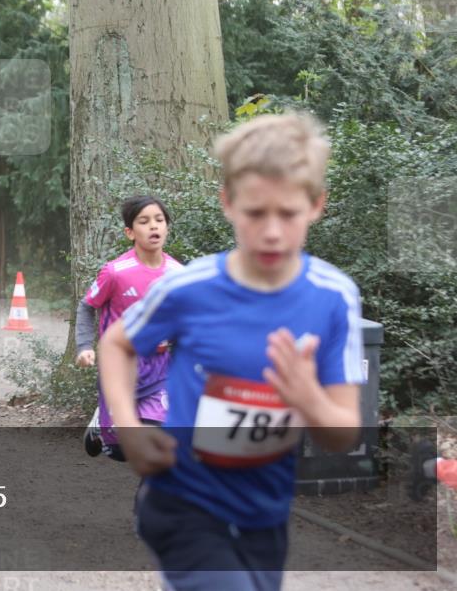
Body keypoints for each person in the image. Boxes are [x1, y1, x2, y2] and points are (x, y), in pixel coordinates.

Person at [99, 113, 364, 591]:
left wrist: (307, 397)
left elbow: (342, 436)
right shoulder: (191, 286)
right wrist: (130, 429)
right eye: (255, 213)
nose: (271, 232)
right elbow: (117, 343)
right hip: (182, 502)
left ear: (317, 206)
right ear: (227, 203)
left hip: (265, 512)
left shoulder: (333, 296)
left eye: (288, 214)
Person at [75, 195, 183, 460]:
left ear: (167, 227)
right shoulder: (115, 272)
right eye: (144, 222)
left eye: (159, 220)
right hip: (119, 370)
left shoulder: (178, 274)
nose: (153, 227)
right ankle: (101, 424)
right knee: (121, 451)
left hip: (159, 372)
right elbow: (87, 306)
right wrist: (85, 346)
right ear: (130, 232)